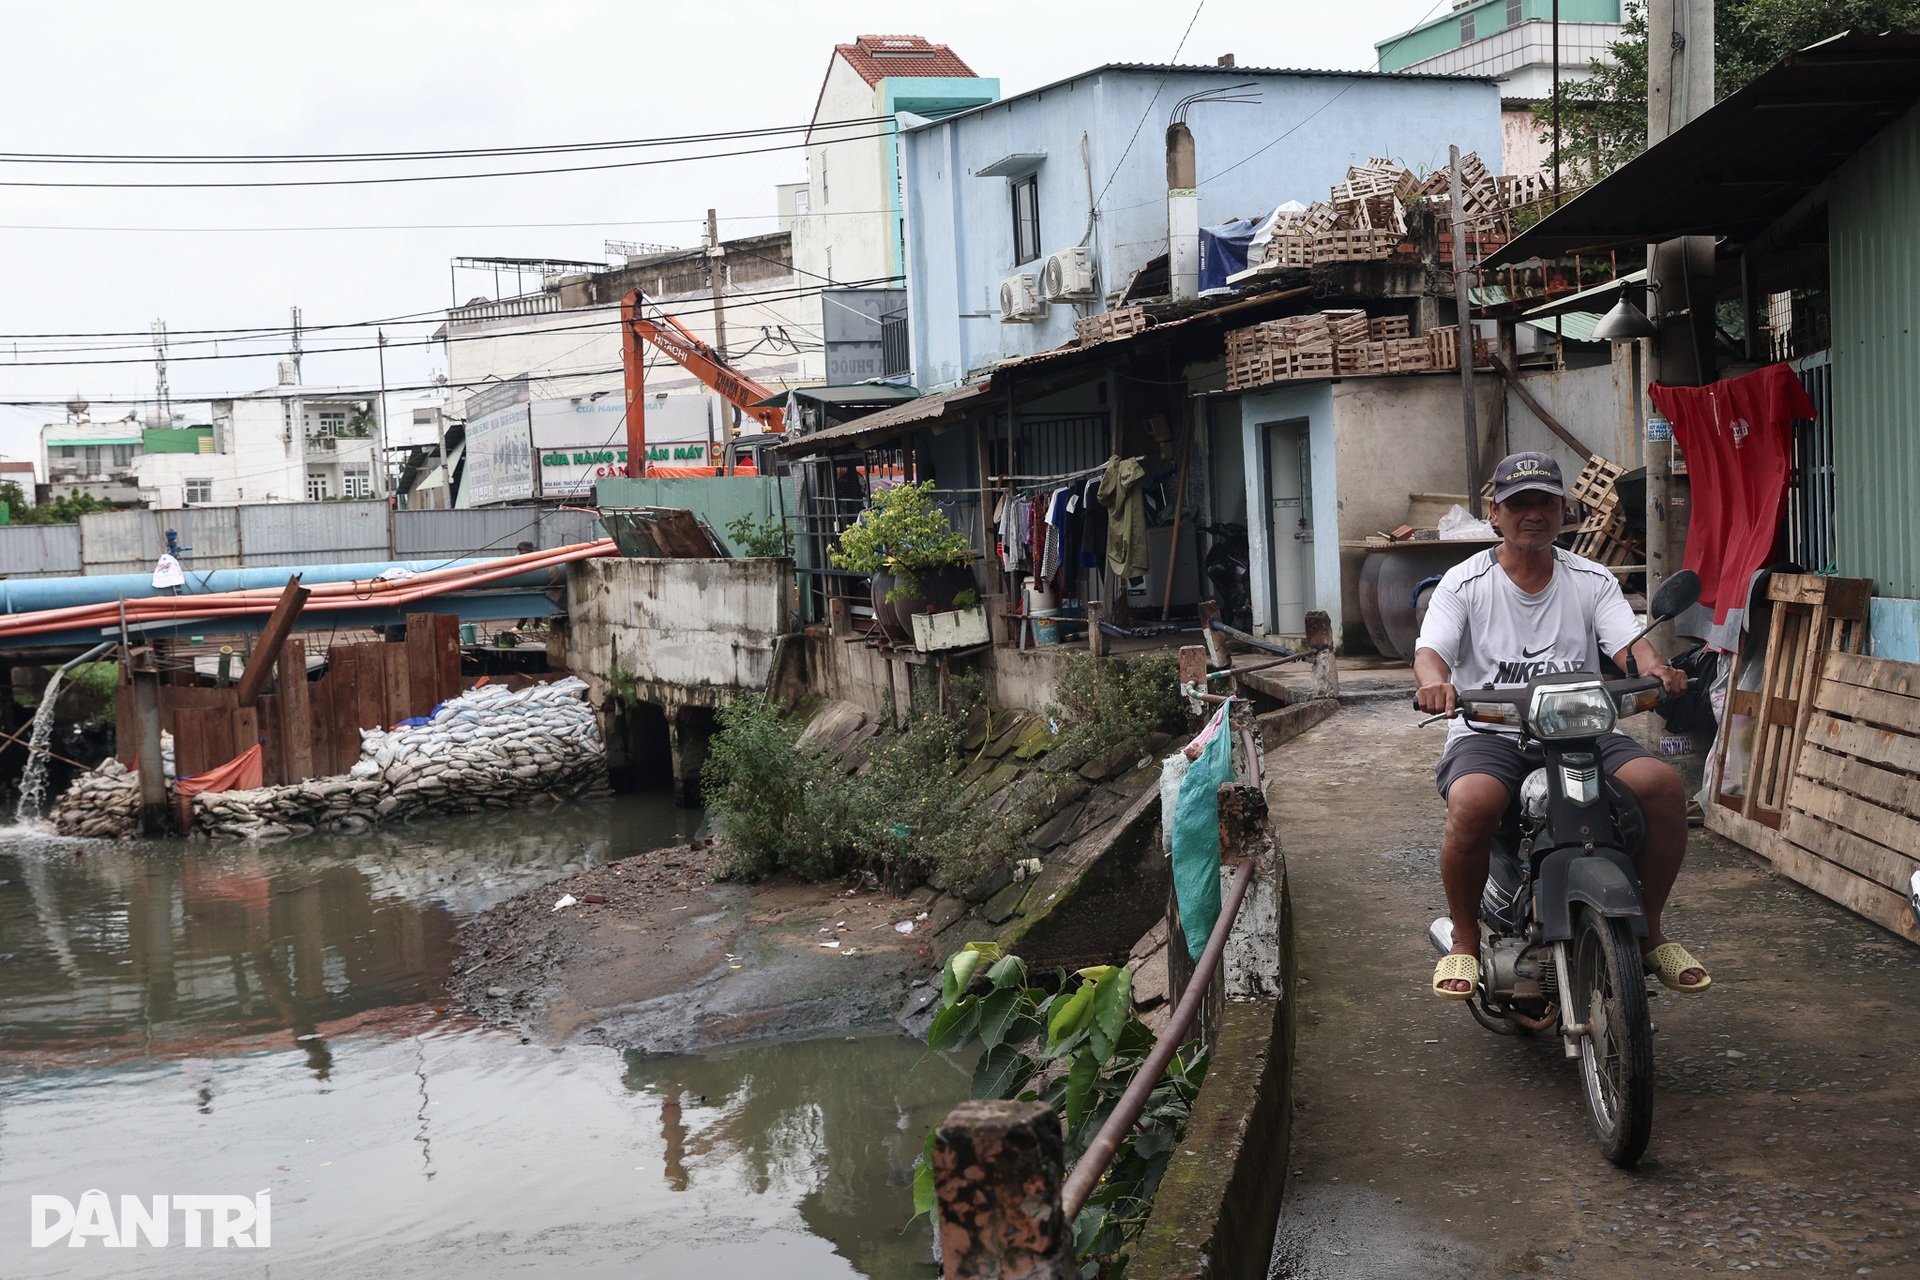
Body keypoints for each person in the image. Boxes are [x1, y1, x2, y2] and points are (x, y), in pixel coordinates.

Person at [1413, 452, 1710, 1000]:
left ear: (1563, 510)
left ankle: (1651, 933)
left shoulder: (1591, 579)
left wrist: (1654, 670)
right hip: (1492, 732)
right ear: (1495, 514)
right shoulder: (1464, 582)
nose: (1532, 514)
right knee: (1473, 805)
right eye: (1518, 503)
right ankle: (1464, 939)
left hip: (1582, 729)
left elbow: (1629, 643)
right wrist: (1436, 683)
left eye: (1544, 502)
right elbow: (1431, 651)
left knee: (1665, 788)